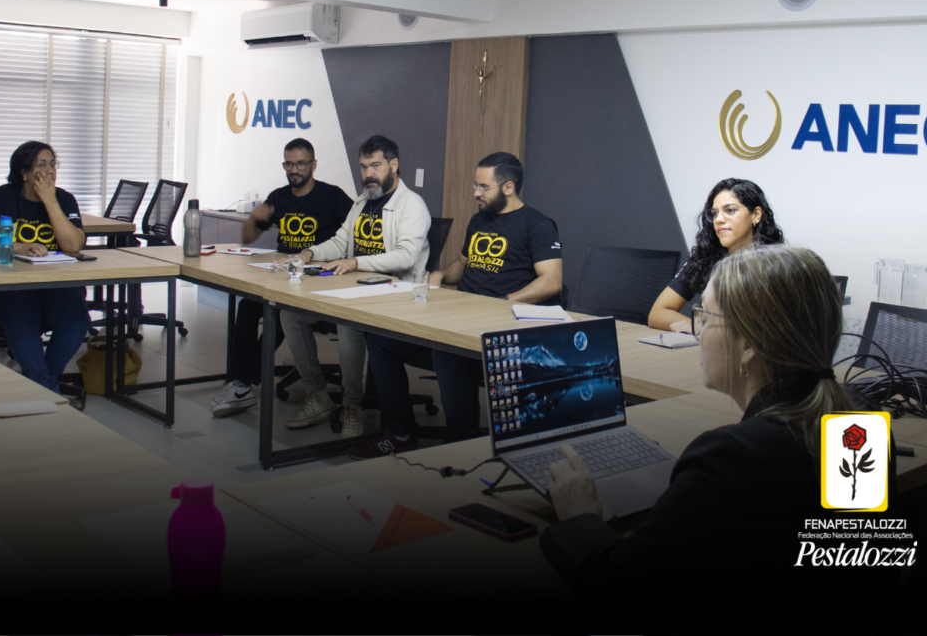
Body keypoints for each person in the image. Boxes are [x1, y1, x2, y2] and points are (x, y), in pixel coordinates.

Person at [541, 244, 859, 596]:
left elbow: (618, 586)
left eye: (705, 317)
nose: (697, 331)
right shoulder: (859, 433)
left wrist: (581, 516)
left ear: (749, 344)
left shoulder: (729, 456)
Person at [348, 151, 561, 459]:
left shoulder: (537, 225)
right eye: (475, 185)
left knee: (446, 356)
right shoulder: (479, 220)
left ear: (509, 187)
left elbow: (551, 281)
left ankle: (458, 445)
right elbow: (464, 261)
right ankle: (399, 431)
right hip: (459, 318)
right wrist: (441, 274)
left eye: (483, 187)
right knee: (381, 341)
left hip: (497, 332)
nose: (476, 192)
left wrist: (501, 304)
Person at [282, 135, 431, 438]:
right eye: (363, 167)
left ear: (394, 165)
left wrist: (355, 263)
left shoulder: (412, 205)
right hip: (356, 288)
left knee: (348, 321)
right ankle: (318, 394)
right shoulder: (363, 202)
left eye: (374, 166)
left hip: (395, 295)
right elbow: (340, 241)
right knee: (290, 313)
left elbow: (405, 257)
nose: (367, 175)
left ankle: (352, 405)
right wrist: (310, 252)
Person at [210, 138, 352, 418]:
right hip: (282, 271)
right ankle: (240, 381)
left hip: (317, 276)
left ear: (313, 164)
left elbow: (355, 232)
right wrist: (254, 218)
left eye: (300, 163)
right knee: (247, 305)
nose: (294, 169)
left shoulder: (332, 196)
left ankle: (242, 383)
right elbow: (248, 237)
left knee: (276, 310)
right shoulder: (280, 196)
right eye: (289, 164)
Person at [0, 141, 90, 393]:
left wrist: (50, 201)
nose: (50, 171)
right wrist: (16, 247)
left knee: (76, 323)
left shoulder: (64, 199)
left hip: (55, 280)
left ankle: (40, 386)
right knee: (22, 323)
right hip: (11, 282)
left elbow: (72, 245)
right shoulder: (2, 196)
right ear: (23, 172)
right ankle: (48, 389)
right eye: (41, 164)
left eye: (52, 164)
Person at [648, 177, 784, 332]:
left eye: (730, 211)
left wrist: (707, 329)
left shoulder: (777, 264)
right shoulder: (705, 257)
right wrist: (698, 327)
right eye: (714, 213)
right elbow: (657, 314)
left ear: (756, 215)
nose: (719, 220)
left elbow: (767, 331)